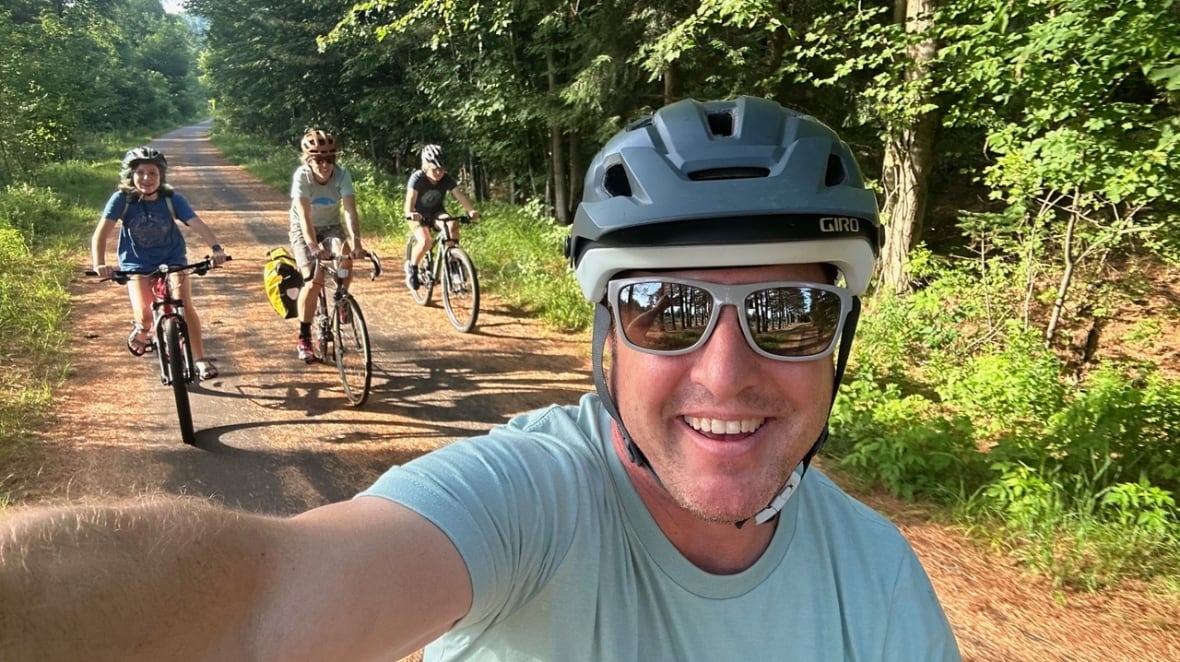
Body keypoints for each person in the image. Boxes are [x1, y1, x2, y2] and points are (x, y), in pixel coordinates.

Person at [1, 97, 961, 661]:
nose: (725, 373)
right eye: (663, 309)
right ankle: (308, 331)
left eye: (787, 315)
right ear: (606, 338)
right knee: (325, 275)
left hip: (366, 228)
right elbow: (262, 595)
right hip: (311, 239)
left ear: (841, 339)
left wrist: (383, 239)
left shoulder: (878, 579)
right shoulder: (529, 500)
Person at [90, 146, 228, 380]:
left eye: (153, 173)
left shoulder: (172, 199)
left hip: (173, 258)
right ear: (131, 175)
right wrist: (99, 263)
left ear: (161, 175)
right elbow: (100, 234)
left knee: (184, 304)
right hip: (136, 263)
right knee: (145, 313)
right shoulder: (121, 200)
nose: (146, 178)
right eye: (141, 172)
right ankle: (144, 329)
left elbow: (197, 223)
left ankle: (199, 359)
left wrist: (215, 249)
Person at [289, 129, 367, 362]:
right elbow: (304, 217)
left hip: (332, 224)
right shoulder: (302, 177)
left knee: (345, 258)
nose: (325, 165)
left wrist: (357, 243)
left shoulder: (342, 175)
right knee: (313, 281)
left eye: (330, 159)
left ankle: (341, 295)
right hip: (304, 229)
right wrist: (313, 247)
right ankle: (304, 337)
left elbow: (350, 212)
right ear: (308, 160)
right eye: (319, 160)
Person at [404, 143, 481, 290]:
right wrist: (410, 213)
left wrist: (471, 210)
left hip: (436, 212)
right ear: (425, 166)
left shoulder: (446, 178)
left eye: (442, 169)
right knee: (426, 241)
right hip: (418, 214)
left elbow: (459, 195)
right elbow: (410, 198)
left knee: (452, 224)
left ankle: (453, 263)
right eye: (435, 169)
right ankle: (412, 267)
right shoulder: (417, 178)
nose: (439, 172)